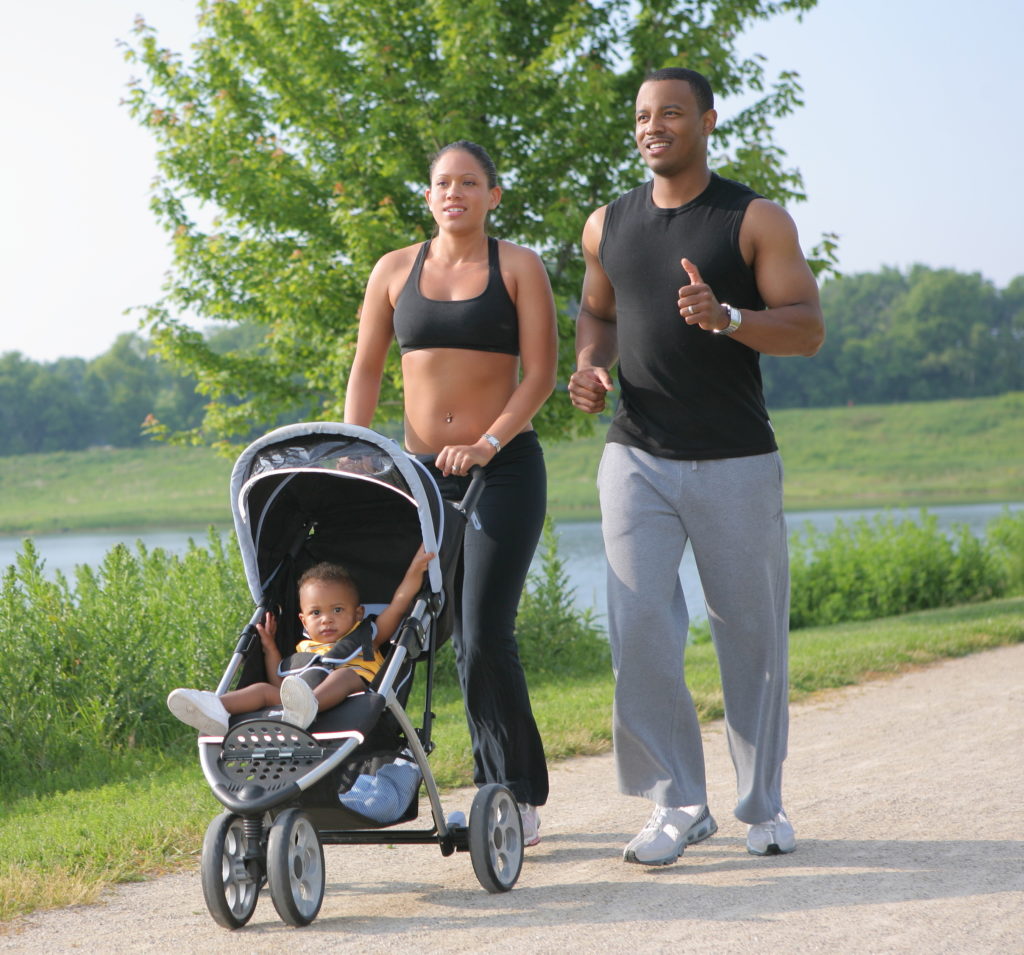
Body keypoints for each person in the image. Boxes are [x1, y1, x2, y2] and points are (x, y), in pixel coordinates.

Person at [568, 67, 824, 865]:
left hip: (736, 458)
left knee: (749, 635)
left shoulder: (752, 219)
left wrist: (730, 316)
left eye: (671, 113)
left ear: (708, 121)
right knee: (640, 628)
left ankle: (765, 807)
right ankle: (676, 802)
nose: (654, 125)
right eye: (644, 115)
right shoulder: (606, 223)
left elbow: (807, 327)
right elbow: (597, 311)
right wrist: (591, 363)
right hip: (635, 452)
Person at [344, 140, 557, 846]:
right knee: (401, 630)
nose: (454, 192)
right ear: (428, 194)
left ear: (494, 195)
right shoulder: (393, 270)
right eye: (443, 183)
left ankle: (514, 792)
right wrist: (359, 452)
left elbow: (540, 376)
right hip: (417, 475)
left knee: (481, 634)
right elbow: (368, 370)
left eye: (470, 182)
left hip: (503, 467)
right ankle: (379, 772)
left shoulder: (518, 266)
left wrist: (489, 441)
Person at [167, 546, 434, 735]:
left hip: (353, 701)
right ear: (303, 621)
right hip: (295, 708)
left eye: (337, 610)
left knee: (344, 676)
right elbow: (280, 684)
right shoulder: (303, 649)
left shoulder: (367, 636)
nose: (326, 619)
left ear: (358, 613)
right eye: (316, 613)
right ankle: (214, 708)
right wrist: (270, 648)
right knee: (261, 690)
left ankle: (310, 705)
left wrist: (414, 570)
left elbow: (398, 605)